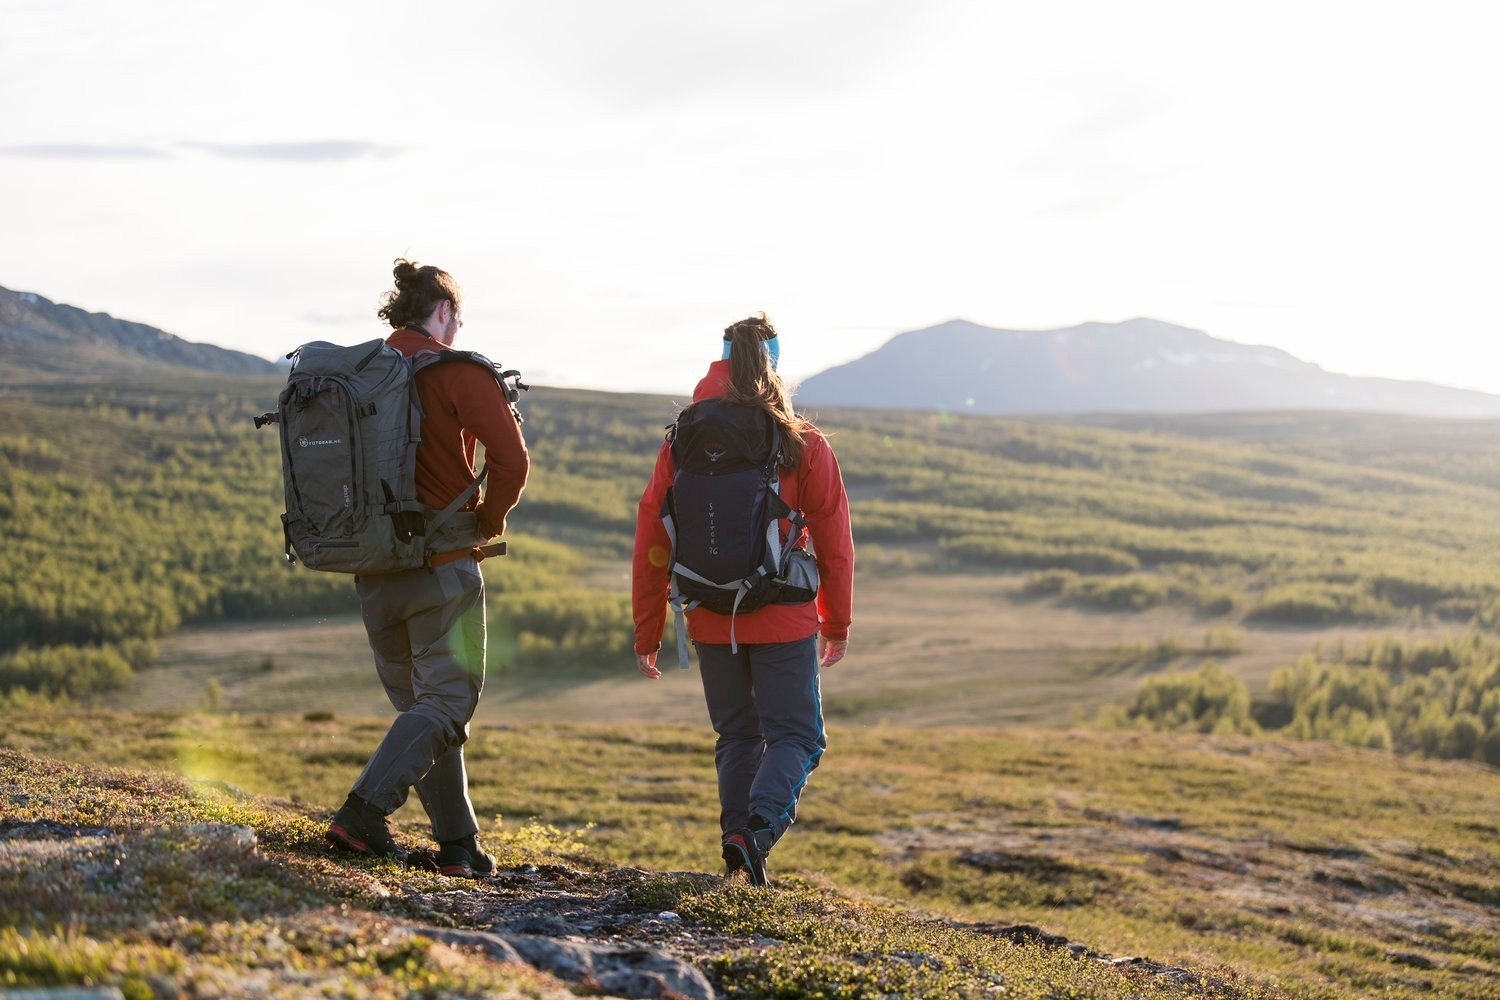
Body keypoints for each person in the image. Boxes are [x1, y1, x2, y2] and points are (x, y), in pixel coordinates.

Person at [631, 313, 854, 886]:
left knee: (737, 736)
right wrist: (836, 622)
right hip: (784, 617)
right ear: (773, 360)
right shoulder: (801, 442)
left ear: (721, 359)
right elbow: (834, 542)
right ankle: (753, 834)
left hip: (708, 614)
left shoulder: (683, 439)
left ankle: (738, 854)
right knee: (797, 737)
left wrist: (648, 629)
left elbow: (652, 532)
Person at [325, 258, 529, 878]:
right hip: (442, 567)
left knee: (424, 711)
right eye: (456, 318)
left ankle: (458, 845)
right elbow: (512, 461)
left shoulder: (357, 376)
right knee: (446, 704)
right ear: (443, 312)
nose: (457, 330)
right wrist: (488, 522)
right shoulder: (457, 371)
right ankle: (363, 812)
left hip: (372, 573)